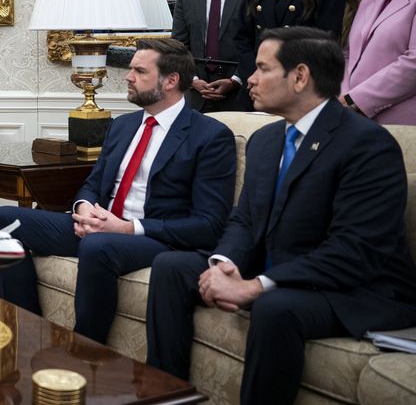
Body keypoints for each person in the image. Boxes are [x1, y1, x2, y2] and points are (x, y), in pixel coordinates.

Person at [146, 27, 416, 405]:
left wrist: (257, 286)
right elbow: (244, 219)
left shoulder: (367, 145)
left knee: (275, 307)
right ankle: (166, 396)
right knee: (172, 267)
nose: (250, 80)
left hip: (354, 288)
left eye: (261, 69)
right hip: (277, 268)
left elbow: (354, 250)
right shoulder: (267, 139)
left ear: (300, 76)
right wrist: (225, 264)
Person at [0, 37, 235, 344]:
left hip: (155, 239)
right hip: (100, 226)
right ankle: (28, 331)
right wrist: (83, 207)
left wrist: (127, 228)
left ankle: (86, 351)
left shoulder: (209, 135)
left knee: (98, 246)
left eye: (140, 72)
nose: (128, 77)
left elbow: (209, 225)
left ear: (171, 80)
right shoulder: (123, 125)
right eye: (131, 69)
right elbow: (94, 183)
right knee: (3, 221)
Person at [170, 0, 253, 112]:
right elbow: (179, 45)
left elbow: (258, 41)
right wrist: (193, 80)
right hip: (197, 98)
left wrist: (235, 81)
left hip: (240, 96)